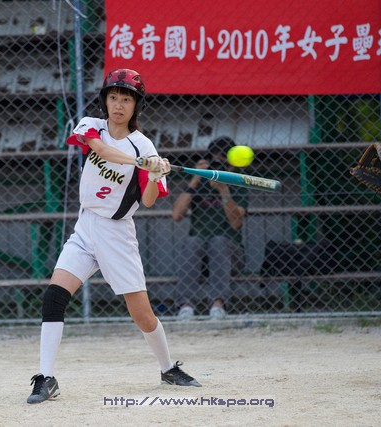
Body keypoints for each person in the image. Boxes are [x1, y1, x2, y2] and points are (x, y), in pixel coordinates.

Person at [26, 68, 201, 404]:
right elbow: (101, 150)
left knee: (142, 315)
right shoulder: (92, 125)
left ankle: (168, 368)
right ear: (105, 101)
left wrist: (154, 175)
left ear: (136, 106)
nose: (119, 105)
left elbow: (148, 201)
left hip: (117, 233)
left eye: (126, 100)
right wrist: (142, 163)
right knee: (54, 297)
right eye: (113, 97)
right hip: (85, 226)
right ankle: (46, 377)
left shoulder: (144, 145)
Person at [171, 136, 248, 320]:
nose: (219, 167)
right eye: (215, 162)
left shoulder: (238, 183)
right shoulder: (200, 184)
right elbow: (176, 214)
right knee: (192, 242)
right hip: (198, 257)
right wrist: (196, 178)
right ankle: (186, 307)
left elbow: (236, 223)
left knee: (218, 242)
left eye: (223, 163)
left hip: (230, 256)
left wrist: (223, 190)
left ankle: (218, 305)